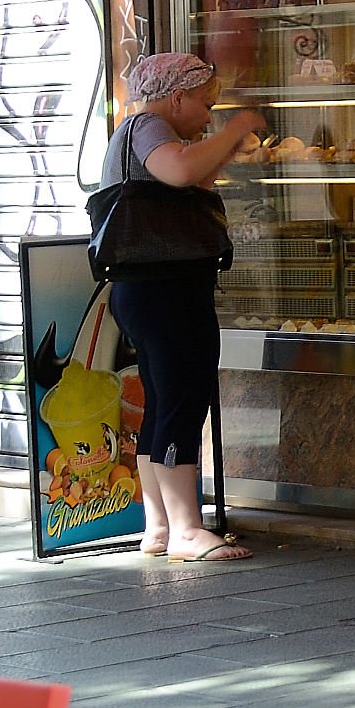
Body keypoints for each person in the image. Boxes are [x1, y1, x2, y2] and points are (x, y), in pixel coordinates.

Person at [103, 51, 264, 562]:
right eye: (206, 105)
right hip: (165, 289)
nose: (209, 117)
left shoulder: (137, 132)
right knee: (182, 400)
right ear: (177, 98)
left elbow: (192, 179)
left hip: (146, 290)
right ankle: (188, 531)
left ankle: (160, 527)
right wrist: (237, 127)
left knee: (162, 401)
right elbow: (179, 172)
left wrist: (227, 148)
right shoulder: (149, 126)